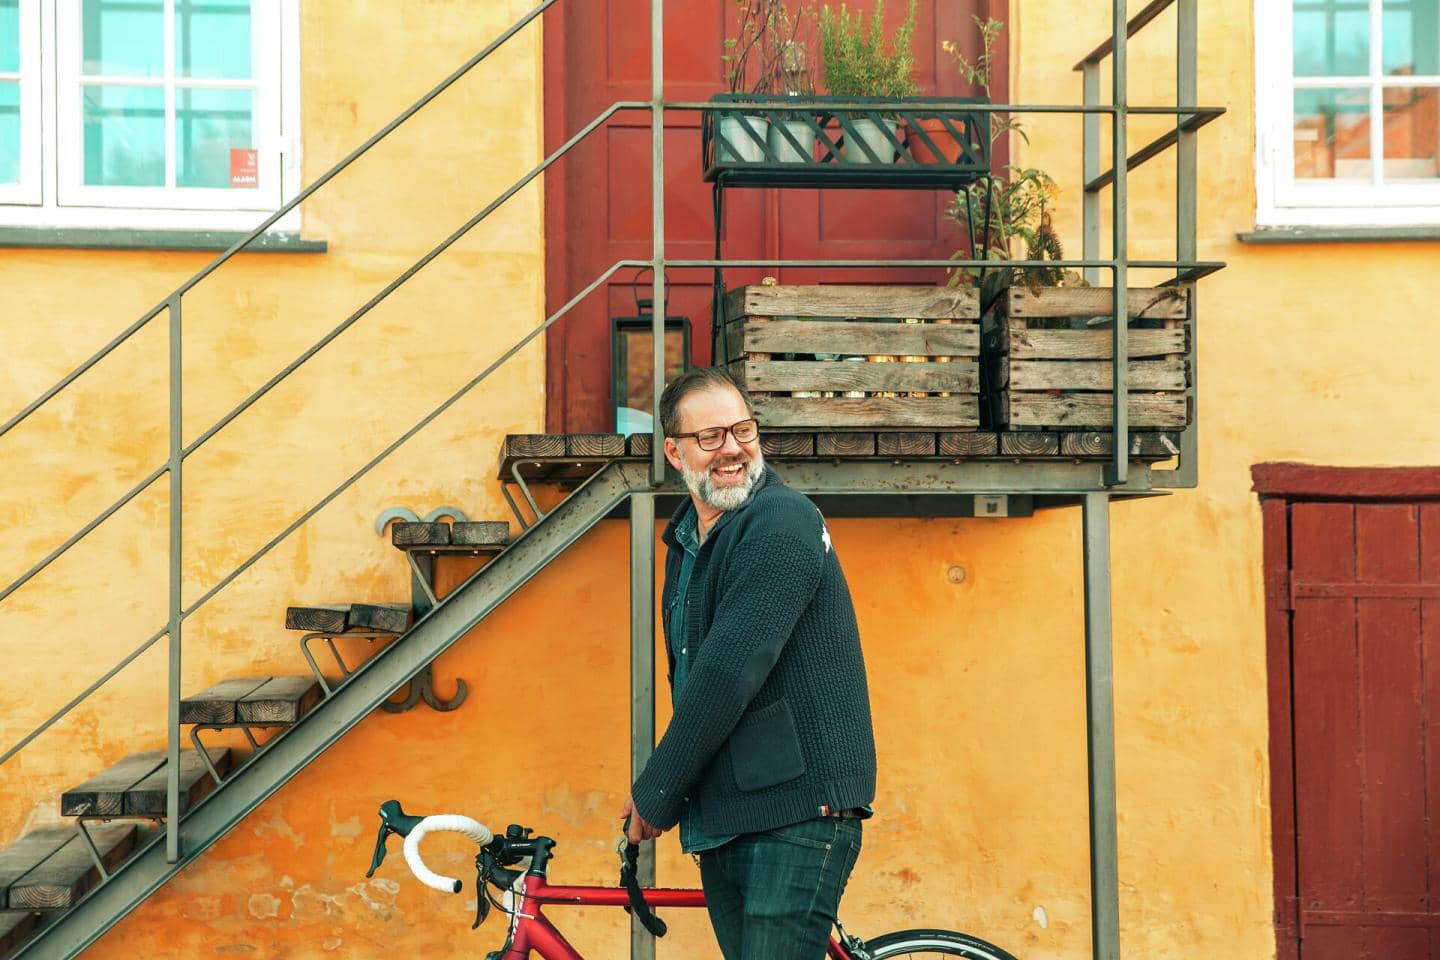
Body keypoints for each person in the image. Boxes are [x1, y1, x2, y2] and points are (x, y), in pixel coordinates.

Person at [619, 367, 877, 960]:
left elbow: (727, 674)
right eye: (711, 437)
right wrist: (678, 793)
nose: (733, 448)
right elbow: (690, 677)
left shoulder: (782, 522)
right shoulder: (686, 543)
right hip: (729, 813)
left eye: (743, 430)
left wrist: (660, 787)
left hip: (797, 809)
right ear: (675, 452)